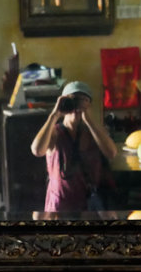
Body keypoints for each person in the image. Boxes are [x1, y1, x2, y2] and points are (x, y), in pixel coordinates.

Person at [30, 80, 117, 213]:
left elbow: (112, 153)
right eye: (73, 100)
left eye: (83, 100)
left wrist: (89, 121)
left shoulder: (94, 132)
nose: (77, 104)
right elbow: (37, 150)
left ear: (89, 104)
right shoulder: (54, 132)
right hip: (59, 207)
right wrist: (54, 115)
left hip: (88, 206)